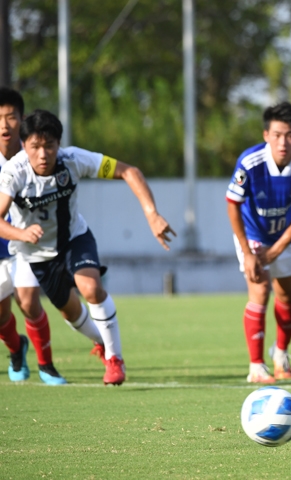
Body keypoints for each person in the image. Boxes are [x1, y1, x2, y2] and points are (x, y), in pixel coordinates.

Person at [0, 109, 176, 385]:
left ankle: (115, 361)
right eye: (35, 147)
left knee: (91, 288)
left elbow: (129, 171)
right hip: (37, 254)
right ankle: (103, 344)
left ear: (59, 144)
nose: (43, 154)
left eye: (50, 146)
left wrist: (152, 213)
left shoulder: (73, 159)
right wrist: (20, 233)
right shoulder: (14, 172)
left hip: (74, 239)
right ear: (24, 146)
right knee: (70, 312)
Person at [226, 101, 291, 384]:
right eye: (277, 134)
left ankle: (280, 352)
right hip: (252, 235)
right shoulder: (249, 162)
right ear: (266, 135)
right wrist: (248, 252)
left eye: (290, 135)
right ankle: (256, 366)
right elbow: (232, 204)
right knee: (260, 290)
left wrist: (279, 247)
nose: (284, 142)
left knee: (287, 297)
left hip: (284, 237)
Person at [0, 88, 66, 385]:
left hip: (30, 245)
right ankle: (17, 349)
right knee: (1, 315)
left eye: (10, 117)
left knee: (28, 301)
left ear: (21, 119)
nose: (4, 125)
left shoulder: (38, 154)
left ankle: (47, 365)